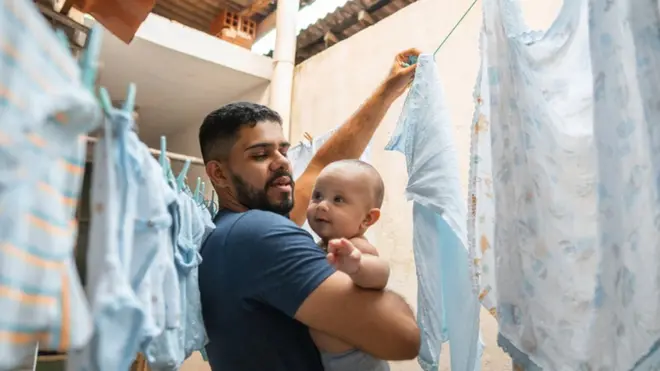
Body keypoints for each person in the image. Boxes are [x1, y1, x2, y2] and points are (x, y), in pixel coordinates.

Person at [198, 48, 421, 370]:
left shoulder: (229, 230)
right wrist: (369, 276)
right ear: (218, 173)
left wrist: (387, 92)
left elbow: (320, 167)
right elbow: (403, 338)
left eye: (283, 150)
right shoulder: (259, 233)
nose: (282, 162)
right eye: (260, 155)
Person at [306, 159, 392, 371]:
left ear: (367, 219)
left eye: (338, 199)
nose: (322, 205)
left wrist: (357, 266)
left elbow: (381, 273)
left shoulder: (357, 249)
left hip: (360, 359)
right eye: (317, 196)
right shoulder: (317, 247)